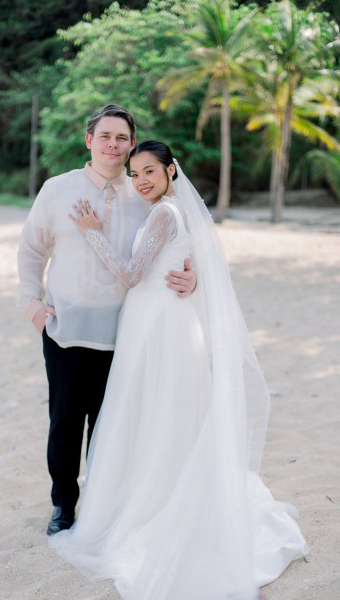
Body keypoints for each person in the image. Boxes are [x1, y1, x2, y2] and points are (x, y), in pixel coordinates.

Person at [49, 141, 308, 600]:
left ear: (172, 170)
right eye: (134, 173)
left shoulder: (166, 214)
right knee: (162, 415)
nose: (141, 179)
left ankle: (159, 500)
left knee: (156, 413)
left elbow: (130, 274)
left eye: (150, 170)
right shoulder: (168, 212)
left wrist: (91, 231)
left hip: (161, 327)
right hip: (159, 319)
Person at [17, 106, 196, 536]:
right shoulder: (57, 190)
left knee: (113, 424)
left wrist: (191, 277)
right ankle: (63, 506)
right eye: (105, 136)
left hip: (126, 333)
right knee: (65, 422)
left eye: (122, 138)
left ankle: (102, 503)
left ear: (132, 144)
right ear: (89, 140)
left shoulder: (147, 193)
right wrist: (33, 306)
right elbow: (31, 251)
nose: (113, 145)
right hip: (67, 329)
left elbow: (174, 249)